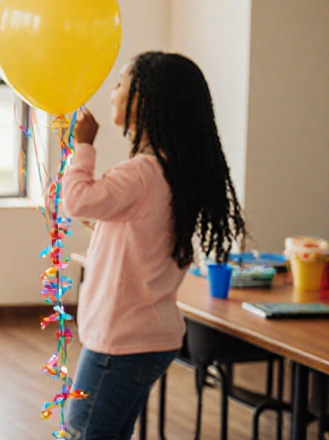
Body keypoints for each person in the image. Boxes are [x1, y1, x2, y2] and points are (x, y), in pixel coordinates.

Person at [63, 52, 246, 439]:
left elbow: (75, 199)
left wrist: (83, 146)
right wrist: (103, 226)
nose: (112, 91)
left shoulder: (141, 172)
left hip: (120, 341)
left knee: (85, 431)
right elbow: (143, 237)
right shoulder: (168, 170)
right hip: (150, 336)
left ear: (146, 101)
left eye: (121, 82)